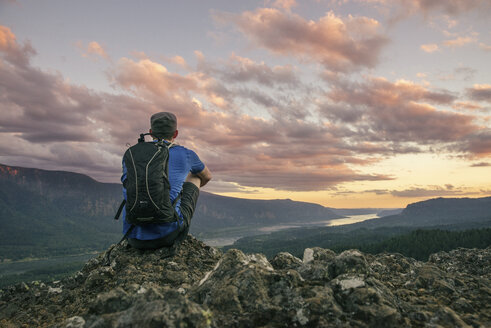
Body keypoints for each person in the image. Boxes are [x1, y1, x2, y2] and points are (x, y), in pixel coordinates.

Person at [121, 112, 212, 249]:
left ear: (151, 133)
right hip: (167, 236)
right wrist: (179, 191)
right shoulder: (186, 154)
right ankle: (174, 215)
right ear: (175, 134)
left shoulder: (132, 154)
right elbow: (207, 176)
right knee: (195, 176)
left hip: (133, 238)